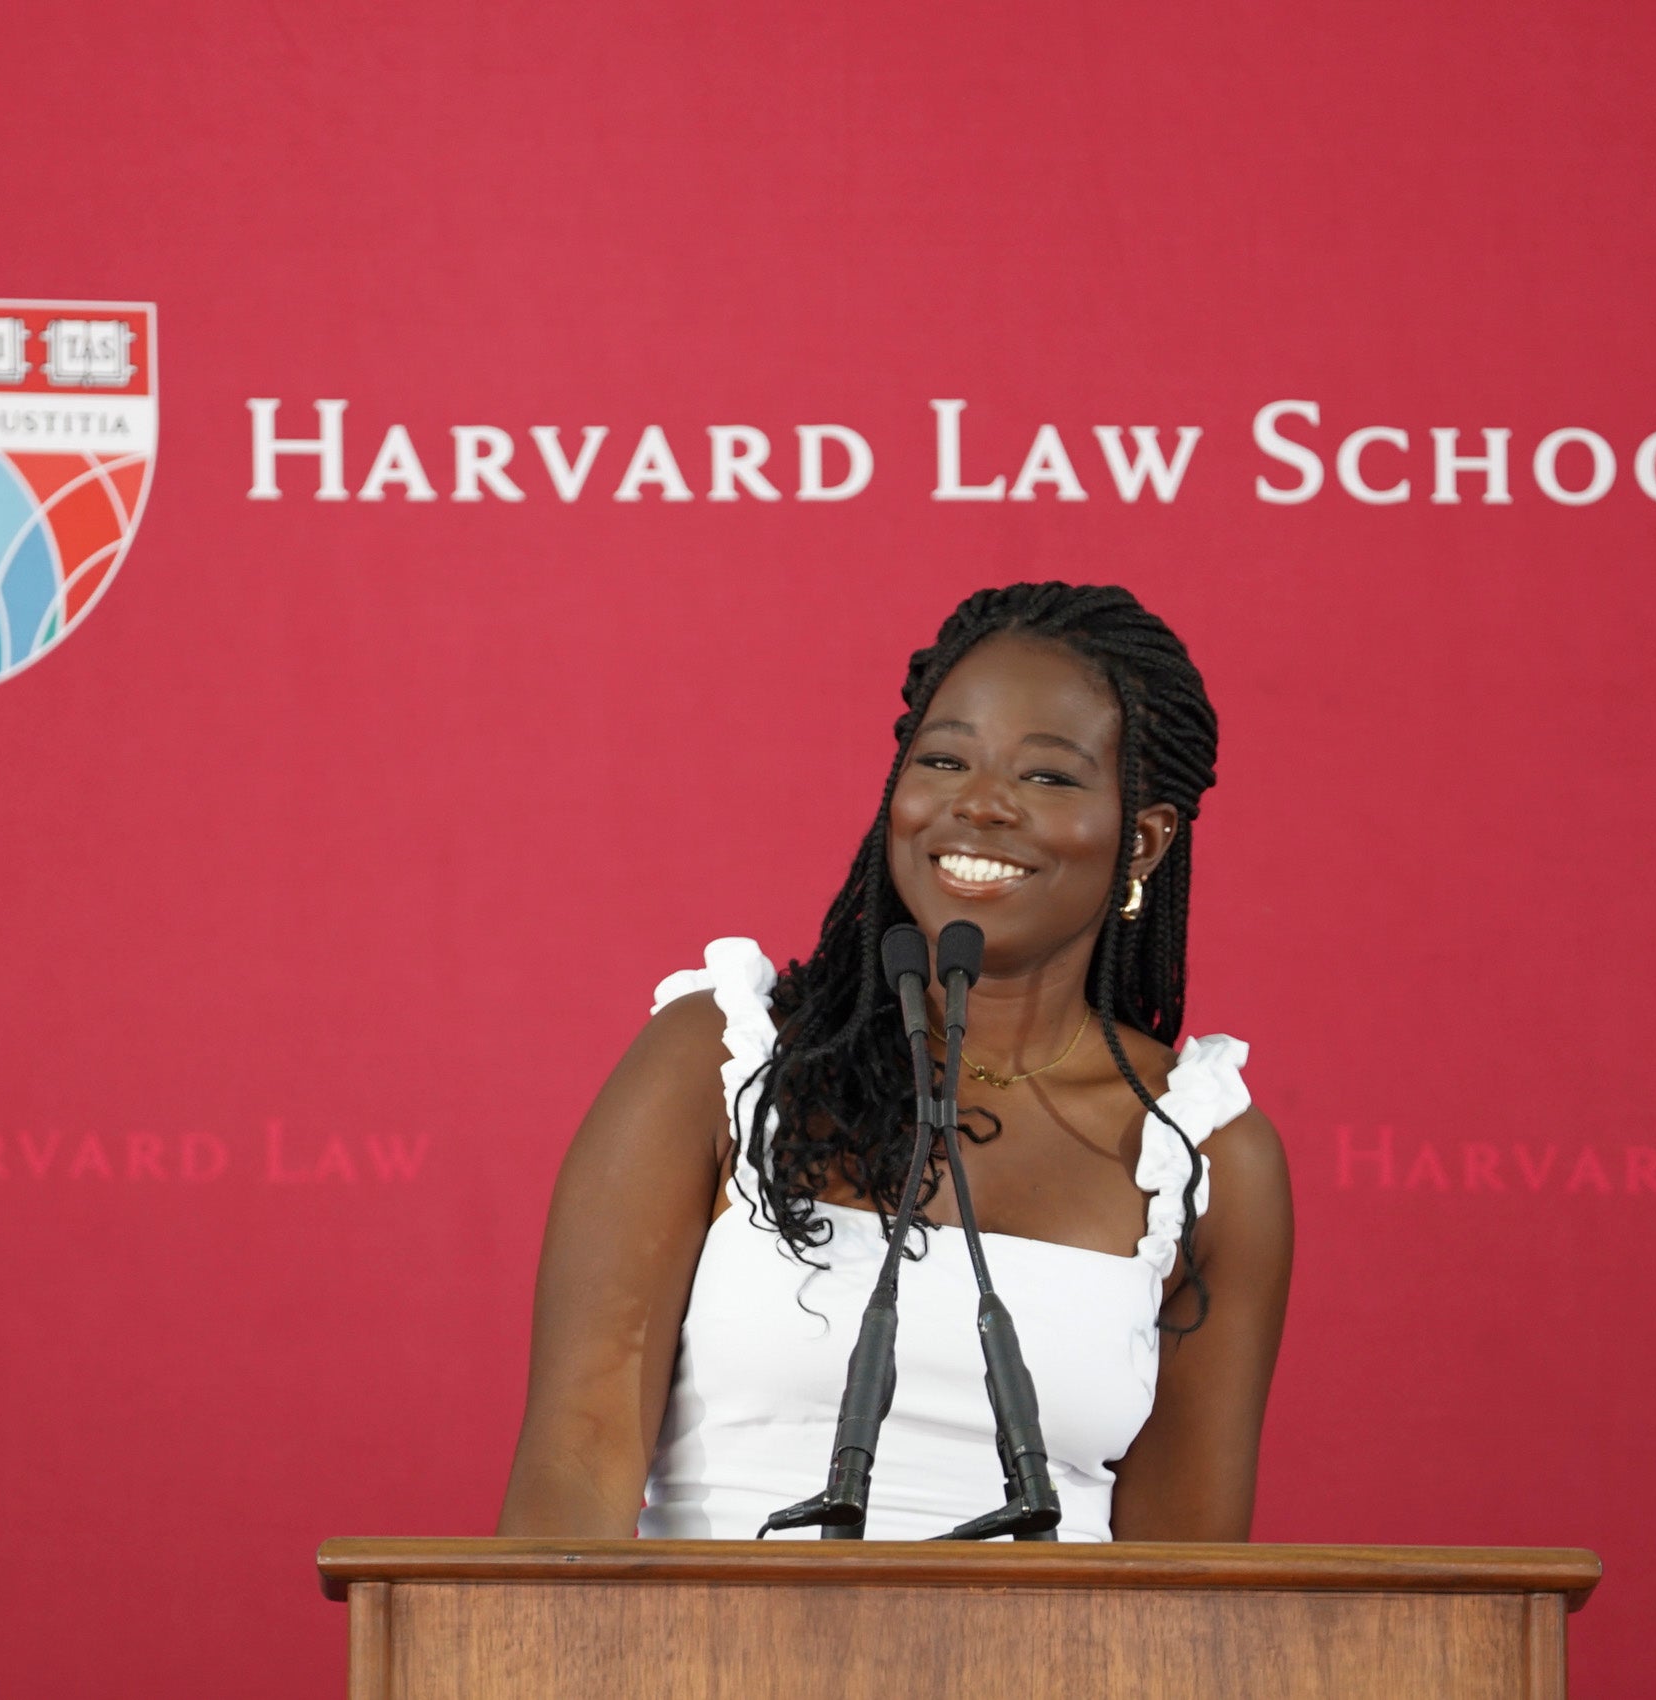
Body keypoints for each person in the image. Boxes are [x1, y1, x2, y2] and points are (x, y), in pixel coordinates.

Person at [499, 582, 1292, 1542]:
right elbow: (574, 1462)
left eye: (1047, 777)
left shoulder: (1201, 1154)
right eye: (945, 758)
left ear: (1145, 840)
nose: (980, 803)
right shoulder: (723, 1061)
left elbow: (1188, 1580)